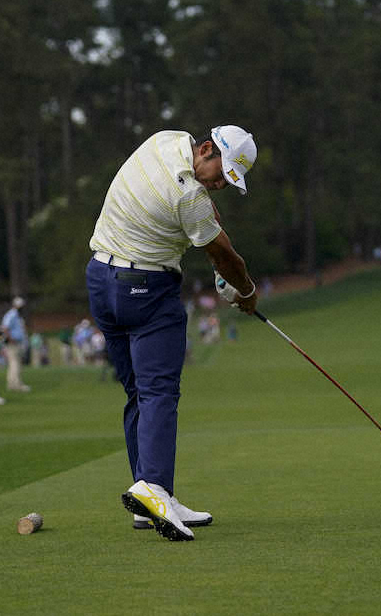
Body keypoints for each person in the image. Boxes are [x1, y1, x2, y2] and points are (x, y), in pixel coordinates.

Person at [86, 125, 259, 541]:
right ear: (205, 149)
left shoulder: (164, 140)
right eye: (221, 174)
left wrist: (217, 247)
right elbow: (222, 254)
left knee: (138, 394)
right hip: (145, 291)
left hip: (99, 282)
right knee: (160, 391)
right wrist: (247, 292)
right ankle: (154, 488)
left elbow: (208, 221)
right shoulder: (190, 197)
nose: (219, 185)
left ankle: (150, 498)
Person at [0, 297, 30, 392]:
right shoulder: (12, 314)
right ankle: (16, 384)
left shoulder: (17, 315)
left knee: (14, 363)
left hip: (17, 342)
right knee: (15, 363)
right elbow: (5, 328)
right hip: (12, 343)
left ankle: (12, 384)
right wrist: (11, 339)